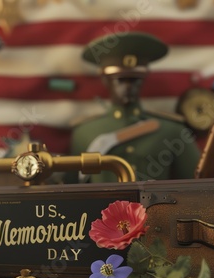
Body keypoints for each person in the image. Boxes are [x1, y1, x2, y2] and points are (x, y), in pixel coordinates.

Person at [68, 31, 200, 183]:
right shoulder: (85, 133)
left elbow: (197, 187)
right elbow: (72, 191)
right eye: (120, 80)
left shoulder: (172, 131)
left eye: (135, 80)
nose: (128, 87)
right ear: (105, 80)